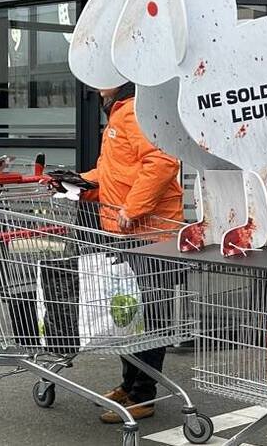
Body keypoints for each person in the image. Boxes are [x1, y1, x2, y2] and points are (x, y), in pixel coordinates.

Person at [80, 82, 183, 423]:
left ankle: (143, 395)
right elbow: (117, 174)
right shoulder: (119, 114)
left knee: (148, 317)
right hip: (128, 232)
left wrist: (133, 208)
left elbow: (162, 162)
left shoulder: (135, 112)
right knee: (128, 316)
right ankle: (130, 385)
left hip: (150, 234)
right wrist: (78, 183)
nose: (95, 82)